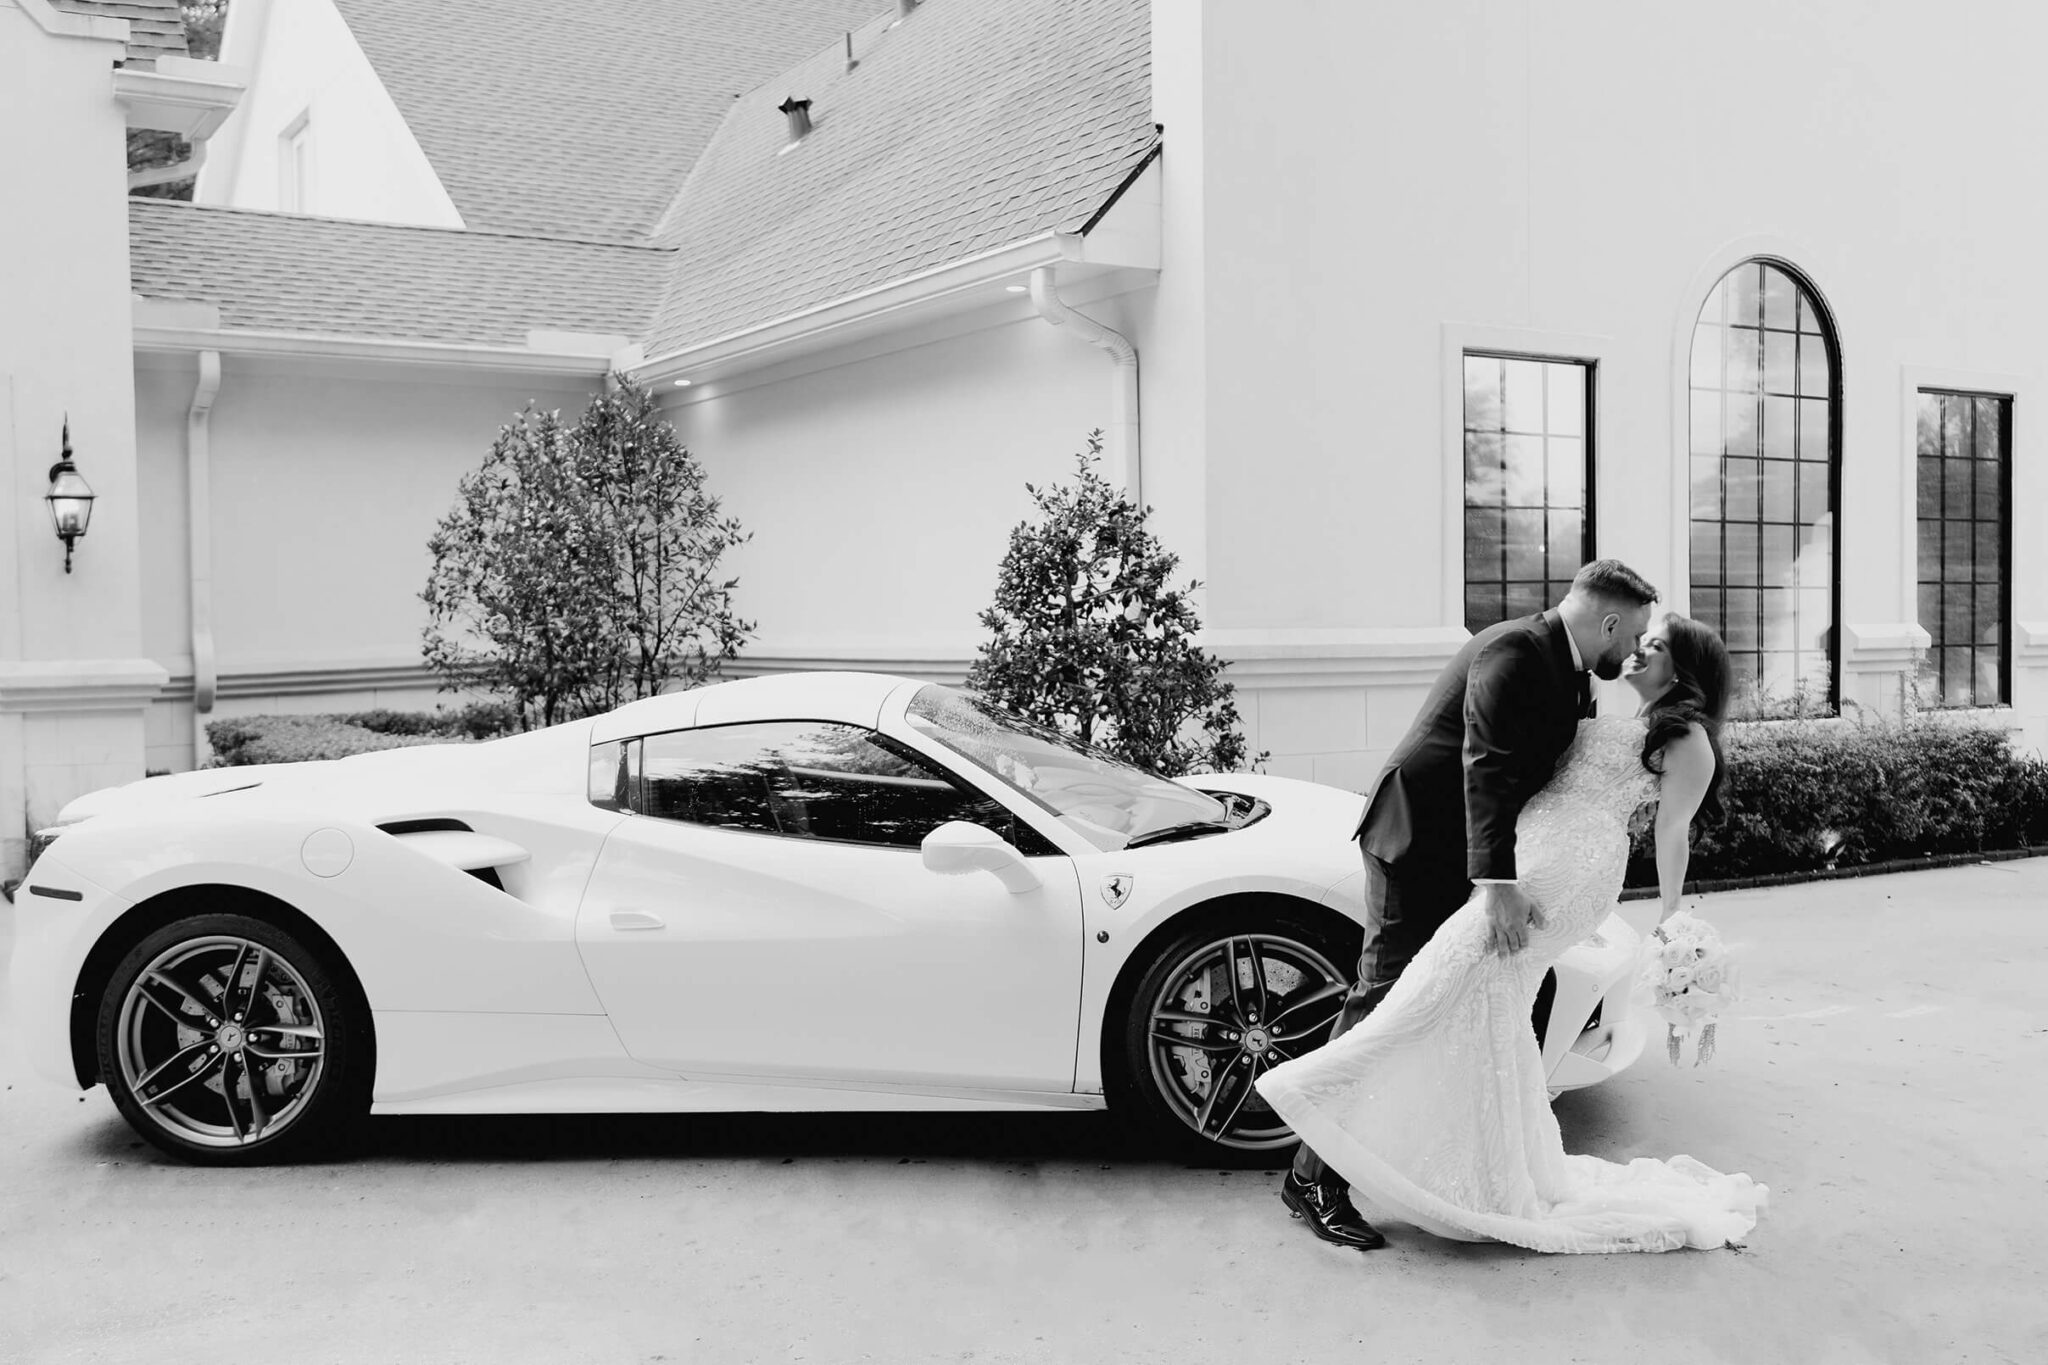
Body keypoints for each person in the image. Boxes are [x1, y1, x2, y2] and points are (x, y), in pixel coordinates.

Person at [1255, 610, 1767, 1253]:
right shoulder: (1571, 682)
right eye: (1639, 638)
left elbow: (1672, 831)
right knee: (1466, 1003)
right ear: (1606, 622)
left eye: (1655, 646)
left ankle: (1308, 1104)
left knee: (1433, 992)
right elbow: (1498, 766)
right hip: (1508, 860)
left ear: (1684, 668)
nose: (1638, 651)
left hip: (1561, 875)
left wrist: (1671, 918)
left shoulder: (1684, 737)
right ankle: (1475, 1170)